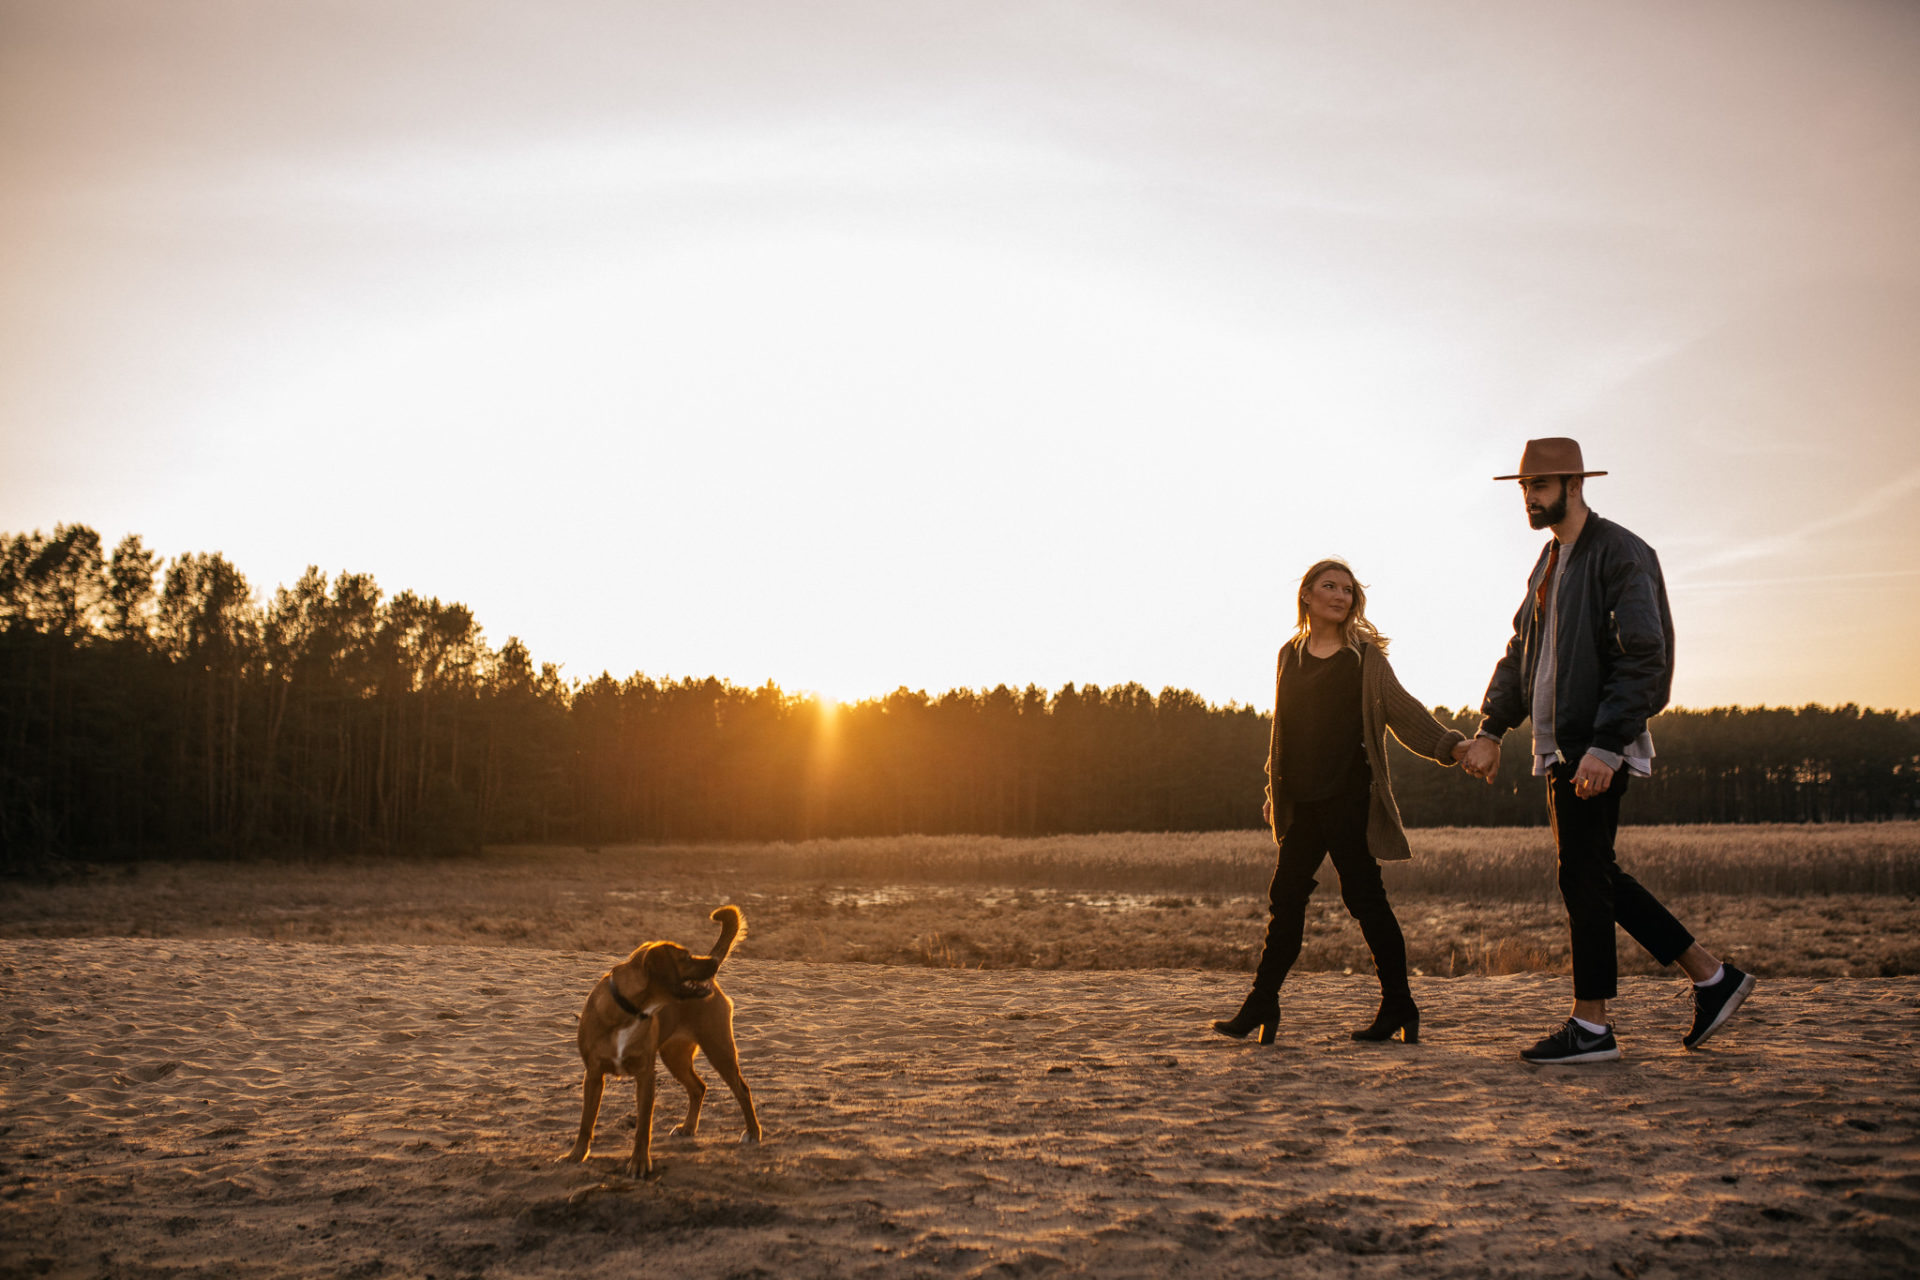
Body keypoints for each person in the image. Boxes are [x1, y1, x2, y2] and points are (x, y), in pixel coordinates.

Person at [1460, 438, 1754, 1065]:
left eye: (1539, 487)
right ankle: (1711, 978)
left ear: (1574, 484)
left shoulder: (1621, 553)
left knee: (1584, 875)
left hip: (1594, 747)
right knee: (1594, 874)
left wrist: (1606, 743)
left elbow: (1645, 656)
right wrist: (1492, 728)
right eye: (1523, 488)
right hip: (1562, 746)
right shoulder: (1547, 562)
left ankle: (1593, 1027)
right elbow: (1520, 652)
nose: (1530, 498)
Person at [1213, 558, 1471, 1047]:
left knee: (1366, 902)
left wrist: (1452, 746)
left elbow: (1402, 709)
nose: (1340, 596)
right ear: (1306, 595)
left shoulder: (1364, 658)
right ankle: (1263, 1002)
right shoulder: (1289, 654)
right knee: (1285, 901)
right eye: (1329, 586)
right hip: (1304, 803)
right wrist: (1275, 790)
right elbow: (1282, 730)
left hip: (1350, 800)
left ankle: (1399, 1003)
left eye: (1348, 590)